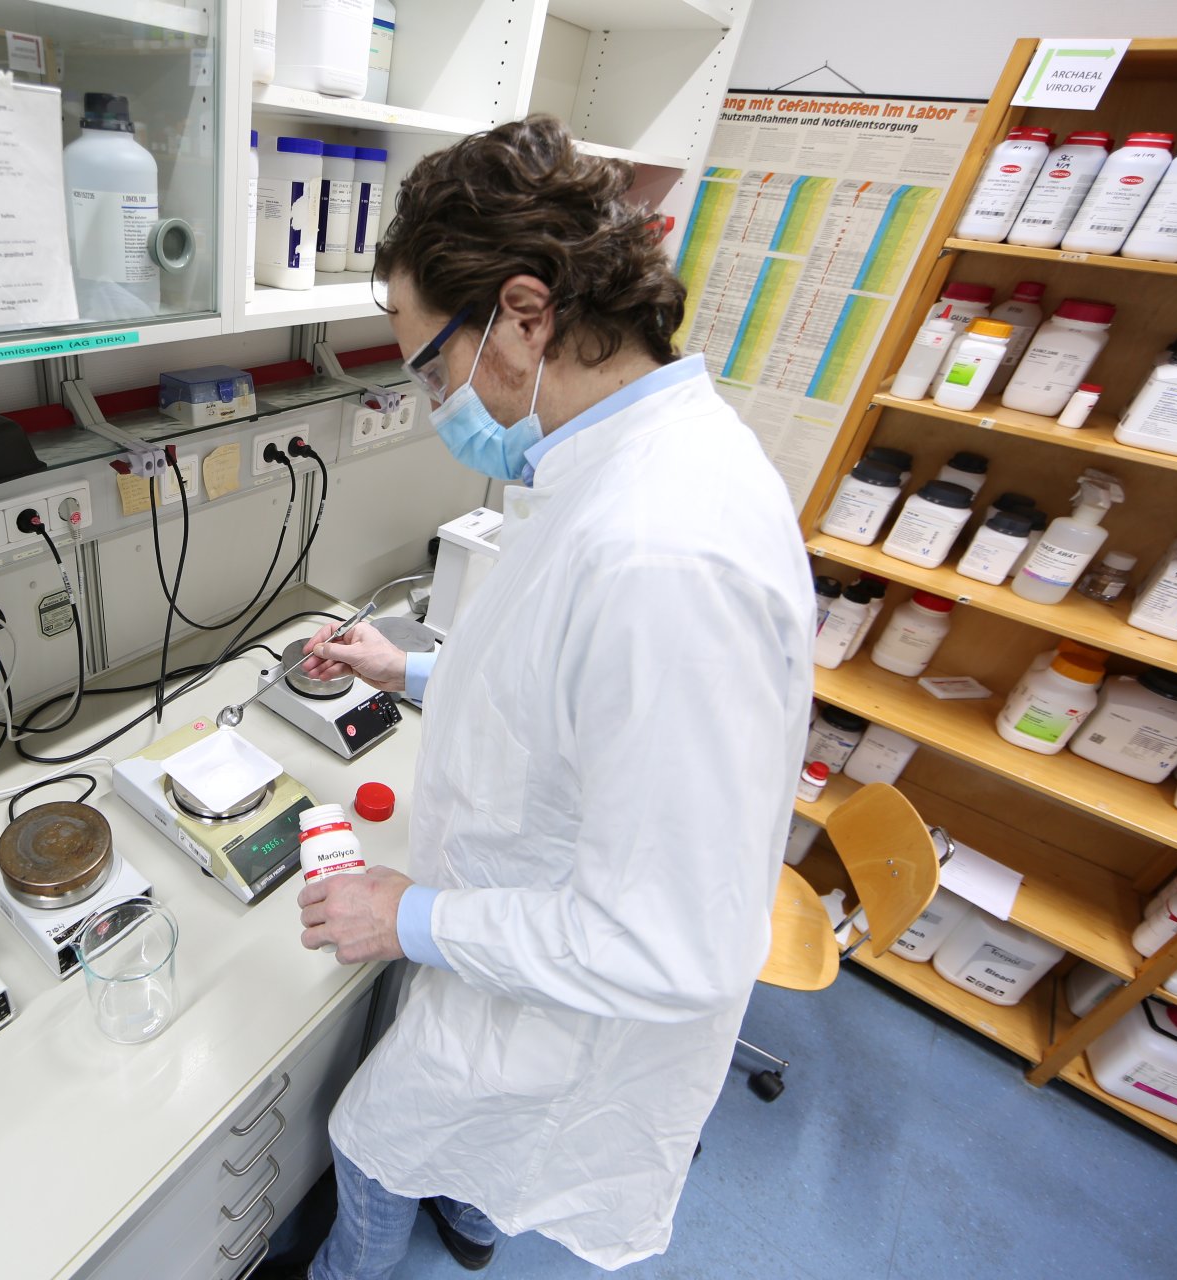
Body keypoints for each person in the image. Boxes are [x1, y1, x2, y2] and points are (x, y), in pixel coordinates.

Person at [266, 117, 815, 1278]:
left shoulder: (666, 551)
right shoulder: (618, 461)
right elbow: (560, 695)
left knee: (375, 1138)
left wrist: (403, 914)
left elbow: (671, 945)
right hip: (525, 919)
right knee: (461, 1148)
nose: (430, 400)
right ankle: (471, 1217)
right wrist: (407, 667)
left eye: (427, 363)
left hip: (567, 1003)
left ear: (522, 313)